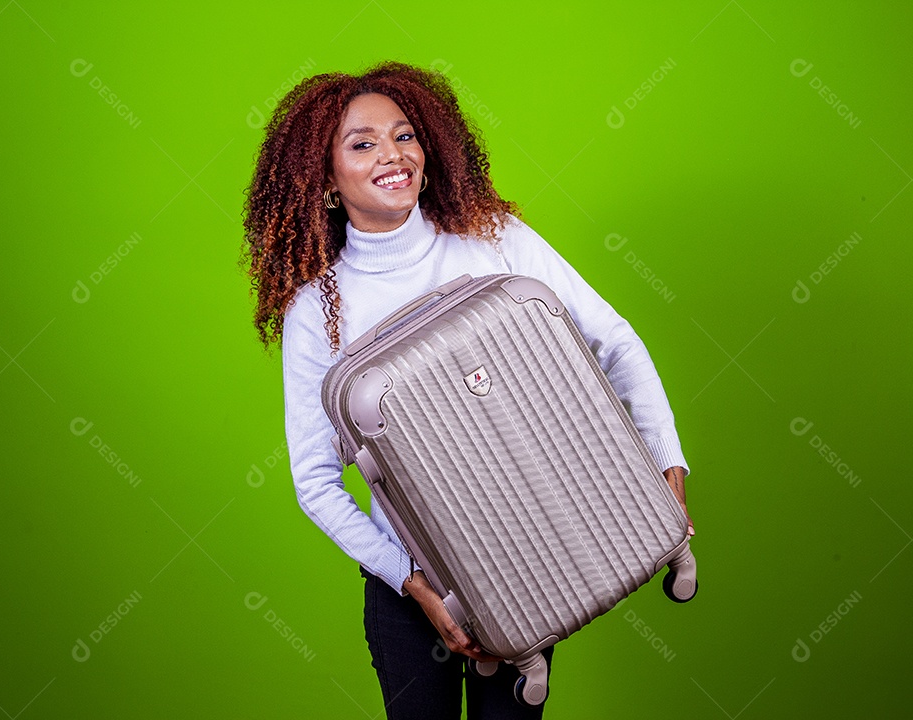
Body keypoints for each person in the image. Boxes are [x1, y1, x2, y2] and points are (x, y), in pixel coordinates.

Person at [243, 61, 692, 720]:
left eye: (404, 136)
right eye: (362, 144)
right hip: (409, 594)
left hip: (533, 563)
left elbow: (615, 343)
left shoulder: (494, 240)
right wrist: (416, 585)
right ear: (326, 182)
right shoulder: (320, 307)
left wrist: (668, 465)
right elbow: (315, 479)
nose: (393, 156)